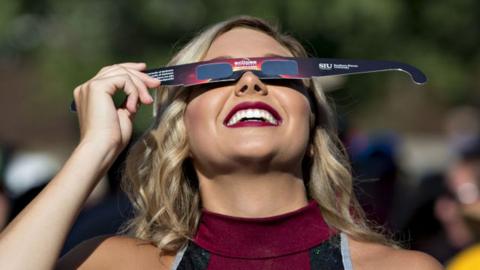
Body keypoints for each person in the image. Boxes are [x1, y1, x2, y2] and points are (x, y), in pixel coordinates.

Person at [0, 16, 442, 269]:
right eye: (217, 75)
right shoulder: (118, 264)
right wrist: (94, 149)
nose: (250, 82)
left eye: (276, 73)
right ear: (180, 131)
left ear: (312, 127)